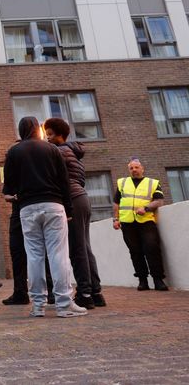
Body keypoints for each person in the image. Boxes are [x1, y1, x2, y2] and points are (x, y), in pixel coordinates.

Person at [3, 116, 87, 318]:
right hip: (53, 205)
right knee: (58, 254)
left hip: (27, 208)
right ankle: (64, 304)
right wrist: (68, 209)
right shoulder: (51, 149)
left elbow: (8, 188)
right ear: (37, 129)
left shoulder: (13, 152)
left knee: (34, 256)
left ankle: (38, 305)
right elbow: (64, 182)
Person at [44, 118, 106, 309]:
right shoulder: (72, 151)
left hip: (72, 200)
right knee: (85, 247)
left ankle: (85, 294)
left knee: (77, 249)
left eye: (50, 135)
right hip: (82, 199)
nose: (47, 139)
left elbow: (51, 175)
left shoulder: (60, 151)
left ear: (60, 135)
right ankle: (96, 292)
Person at [112, 158, 168, 291]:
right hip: (127, 222)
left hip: (146, 221)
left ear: (142, 168)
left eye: (136, 167)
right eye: (131, 168)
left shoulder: (152, 183)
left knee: (152, 248)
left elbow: (159, 201)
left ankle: (158, 279)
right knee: (135, 252)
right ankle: (142, 281)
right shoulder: (122, 182)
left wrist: (147, 208)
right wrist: (116, 219)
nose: (134, 170)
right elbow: (116, 203)